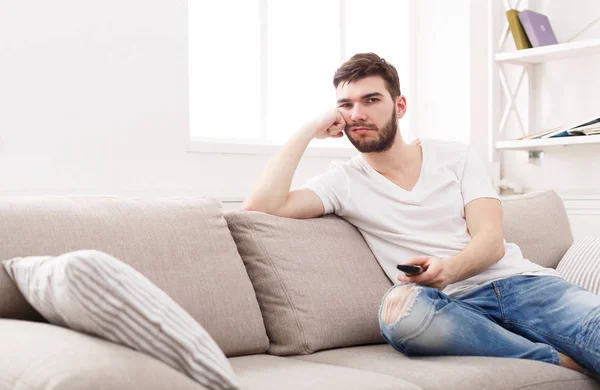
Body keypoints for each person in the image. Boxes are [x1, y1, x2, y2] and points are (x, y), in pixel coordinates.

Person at [243, 52, 599, 376]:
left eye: (371, 100)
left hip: (523, 286)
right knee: (400, 313)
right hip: (446, 308)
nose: (357, 114)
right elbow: (260, 206)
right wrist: (309, 129)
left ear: (399, 106)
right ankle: (554, 359)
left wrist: (448, 269)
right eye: (345, 105)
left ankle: (529, 347)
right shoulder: (343, 181)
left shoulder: (456, 157)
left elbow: (490, 242)